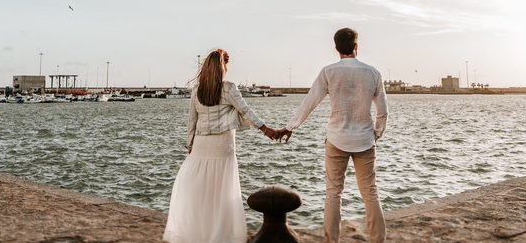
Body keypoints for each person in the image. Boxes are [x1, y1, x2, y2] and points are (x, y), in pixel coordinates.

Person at [280, 28, 388, 243]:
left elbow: (309, 102)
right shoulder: (373, 73)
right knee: (370, 192)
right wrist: (376, 134)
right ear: (356, 46)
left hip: (336, 139)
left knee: (333, 193)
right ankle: (378, 240)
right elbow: (383, 111)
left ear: (336, 48)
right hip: (365, 140)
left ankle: (332, 240)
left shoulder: (329, 72)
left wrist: (291, 127)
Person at [163, 49, 280, 243]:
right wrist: (265, 129)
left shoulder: (197, 89)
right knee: (222, 190)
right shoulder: (229, 88)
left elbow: (191, 120)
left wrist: (190, 144)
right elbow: (246, 111)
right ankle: (220, 235)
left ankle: (200, 233)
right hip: (222, 143)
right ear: (223, 66)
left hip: (201, 144)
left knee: (201, 190)